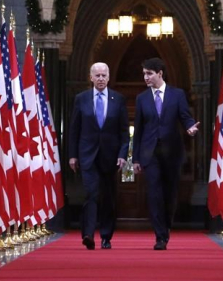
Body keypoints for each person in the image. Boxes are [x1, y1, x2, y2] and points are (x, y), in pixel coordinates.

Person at [132, 57, 199, 250]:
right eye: (144, 73)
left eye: (149, 73)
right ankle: (160, 236)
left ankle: (167, 225)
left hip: (172, 152)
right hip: (149, 153)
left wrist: (190, 128)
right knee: (154, 193)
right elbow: (138, 129)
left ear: (160, 73)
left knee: (170, 194)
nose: (146, 77)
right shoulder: (141, 98)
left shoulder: (177, 95)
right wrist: (135, 158)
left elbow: (185, 117)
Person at [68, 62, 129, 250]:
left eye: (104, 75)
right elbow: (74, 129)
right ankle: (88, 234)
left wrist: (122, 154)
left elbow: (124, 132)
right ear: (91, 77)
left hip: (110, 157)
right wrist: (72, 155)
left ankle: (106, 236)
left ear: (109, 77)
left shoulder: (118, 99)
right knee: (91, 194)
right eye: (97, 75)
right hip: (87, 155)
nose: (101, 79)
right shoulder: (81, 99)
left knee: (108, 197)